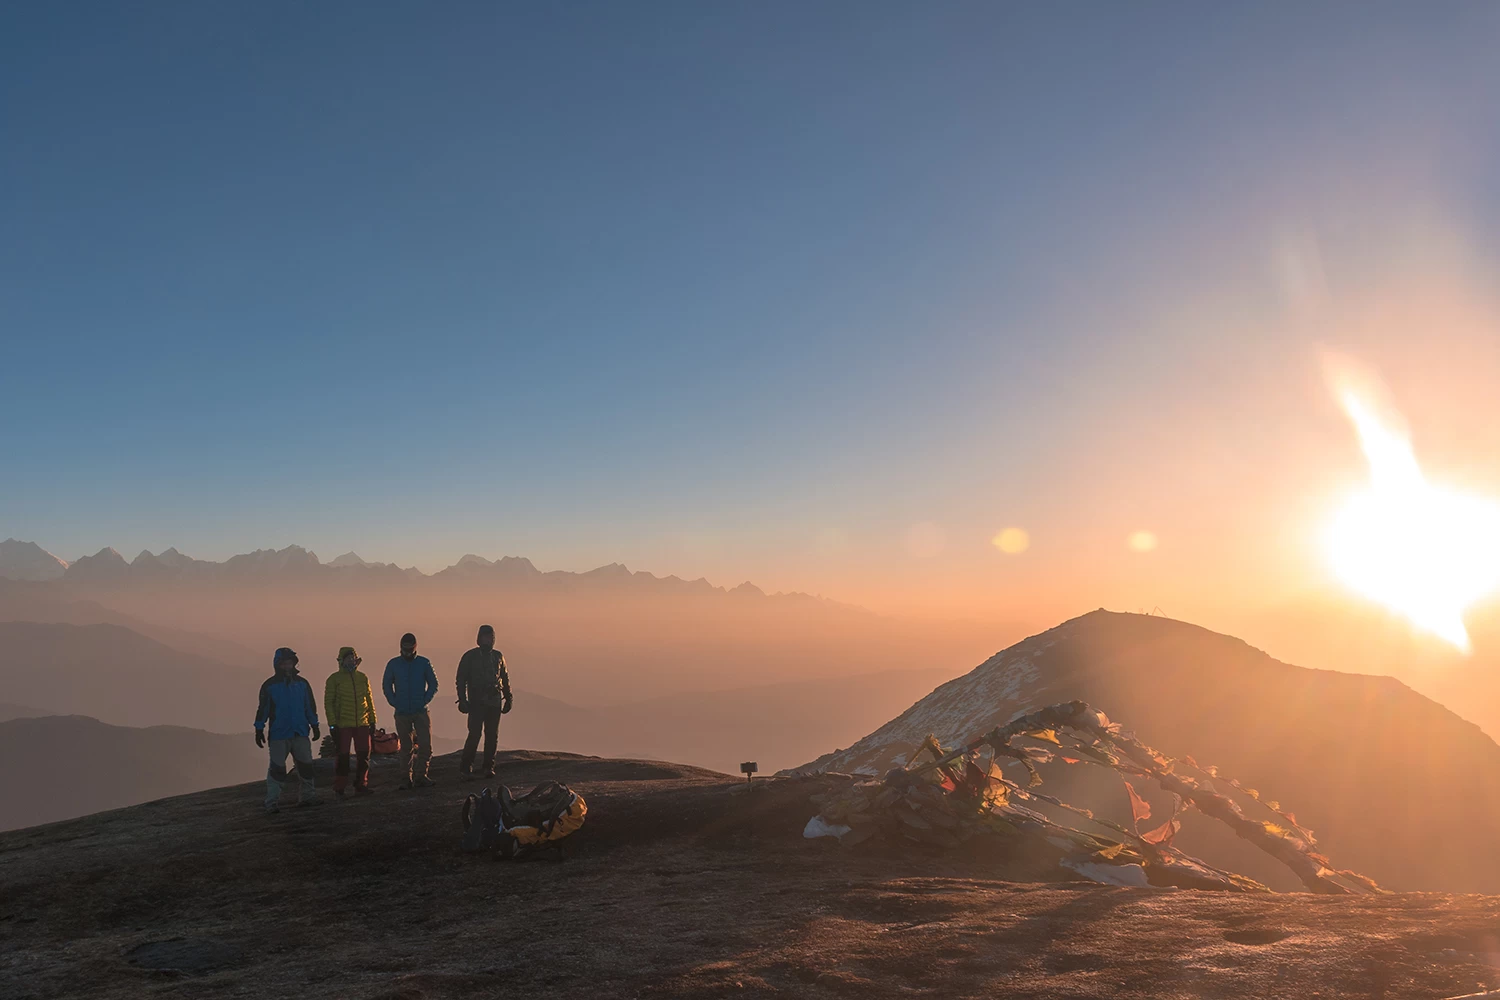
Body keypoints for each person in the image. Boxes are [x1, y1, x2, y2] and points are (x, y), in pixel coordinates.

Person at [253, 647, 322, 814]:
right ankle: (272, 803)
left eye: (289, 663)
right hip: (279, 734)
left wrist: (315, 725)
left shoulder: (302, 684)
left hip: (300, 732)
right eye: (284, 663)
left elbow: (310, 707)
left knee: (306, 767)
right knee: (277, 769)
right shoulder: (269, 686)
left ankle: (308, 798)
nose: (287, 666)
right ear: (278, 664)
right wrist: (259, 729)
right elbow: (263, 709)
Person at [454, 624, 512, 779]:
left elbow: (505, 679)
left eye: (491, 637)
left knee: (492, 735)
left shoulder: (498, 656)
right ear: (479, 638)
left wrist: (508, 698)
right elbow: (461, 680)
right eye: (486, 637)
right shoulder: (470, 656)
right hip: (476, 701)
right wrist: (462, 700)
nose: (488, 640)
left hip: (494, 701)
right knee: (475, 734)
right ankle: (466, 767)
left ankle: (488, 767)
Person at [382, 632, 439, 789]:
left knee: (425, 745)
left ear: (415, 648)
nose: (407, 652)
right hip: (402, 712)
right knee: (406, 747)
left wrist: (424, 700)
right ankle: (406, 779)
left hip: (420, 710)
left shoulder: (424, 663)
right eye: (405, 649)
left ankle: (421, 776)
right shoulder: (393, 664)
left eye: (410, 649)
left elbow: (434, 684)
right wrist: (395, 702)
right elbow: (386, 685)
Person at [325, 646, 378, 797]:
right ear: (341, 660)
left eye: (352, 657)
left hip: (362, 722)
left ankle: (361, 785)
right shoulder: (334, 679)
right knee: (343, 758)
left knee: (364, 756)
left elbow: (369, 700)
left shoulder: (363, 678)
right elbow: (329, 702)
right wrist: (332, 724)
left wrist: (372, 720)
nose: (351, 660)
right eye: (348, 658)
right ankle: (340, 788)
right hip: (343, 725)